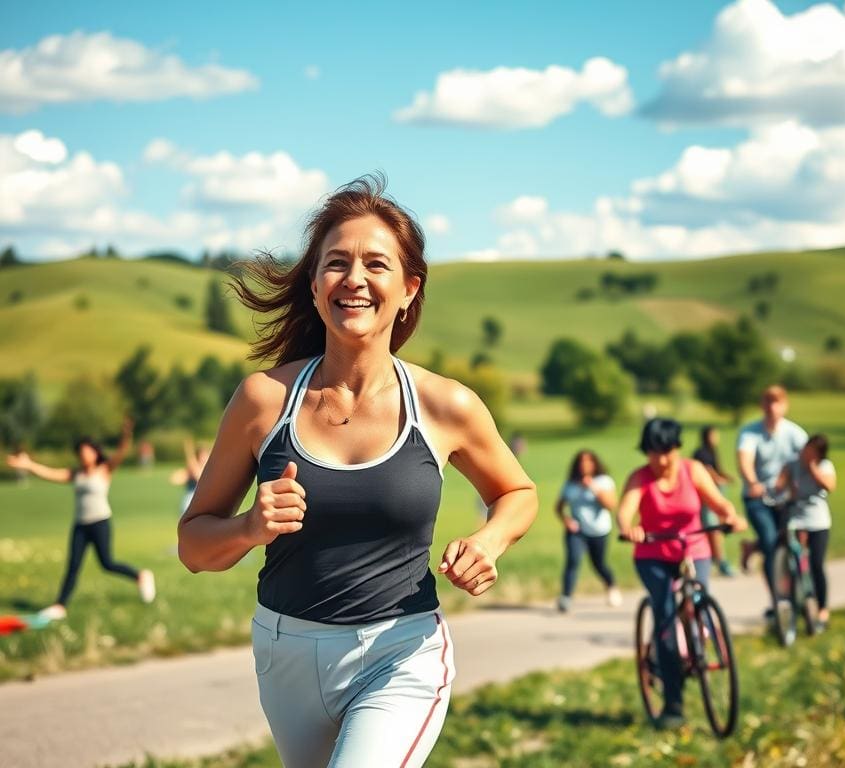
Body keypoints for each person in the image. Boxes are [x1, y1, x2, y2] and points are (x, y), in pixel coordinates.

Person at [177, 175, 538, 768]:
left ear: (408, 288)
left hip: (402, 650)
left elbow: (517, 491)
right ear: (316, 286)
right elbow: (194, 545)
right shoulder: (263, 401)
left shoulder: (447, 405)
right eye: (336, 263)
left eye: (377, 264)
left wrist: (489, 540)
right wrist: (248, 527)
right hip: (284, 653)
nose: (355, 279)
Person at [618, 418, 747, 730]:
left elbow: (718, 503)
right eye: (653, 452)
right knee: (664, 616)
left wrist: (730, 516)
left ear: (677, 448)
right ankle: (673, 703)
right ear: (646, 452)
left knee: (698, 603)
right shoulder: (640, 478)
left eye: (667, 451)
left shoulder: (693, 470)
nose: (661, 460)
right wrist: (629, 529)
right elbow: (625, 511)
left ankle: (697, 643)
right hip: (652, 554)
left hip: (694, 548)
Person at [5, 420, 156, 620]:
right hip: (80, 525)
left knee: (107, 563)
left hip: (100, 522)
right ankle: (60, 606)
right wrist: (28, 464)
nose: (84, 455)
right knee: (73, 565)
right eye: (81, 452)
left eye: (87, 451)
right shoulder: (75, 474)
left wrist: (126, 435)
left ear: (95, 452)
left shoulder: (105, 469)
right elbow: (49, 473)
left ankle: (141, 576)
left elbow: (121, 452)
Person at [736, 386, 807, 615]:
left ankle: (801, 593)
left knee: (794, 542)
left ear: (785, 405)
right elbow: (744, 459)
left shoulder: (795, 434)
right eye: (768, 402)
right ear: (762, 405)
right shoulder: (750, 432)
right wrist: (753, 482)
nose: (772, 407)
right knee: (770, 543)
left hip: (786, 497)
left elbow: (806, 462)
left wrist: (796, 486)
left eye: (777, 402)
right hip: (758, 497)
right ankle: (778, 600)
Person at [775, 434, 835, 628]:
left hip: (818, 521)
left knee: (817, 564)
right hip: (796, 519)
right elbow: (780, 483)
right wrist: (781, 487)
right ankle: (793, 599)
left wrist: (812, 468)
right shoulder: (792, 463)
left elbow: (830, 486)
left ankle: (822, 607)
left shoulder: (825, 466)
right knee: (792, 560)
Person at [555, 450, 621, 612]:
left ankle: (611, 585)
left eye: (588, 462)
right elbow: (559, 507)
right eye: (581, 462)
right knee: (573, 560)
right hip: (577, 531)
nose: (585, 465)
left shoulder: (604, 481)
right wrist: (566, 520)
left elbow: (611, 505)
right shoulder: (570, 484)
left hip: (599, 531)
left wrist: (593, 487)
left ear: (595, 464)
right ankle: (566, 597)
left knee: (598, 564)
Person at [692, 425, 735, 577]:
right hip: (706, 495)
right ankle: (719, 560)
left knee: (718, 527)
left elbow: (717, 469)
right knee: (713, 527)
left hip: (717, 492)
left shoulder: (712, 451)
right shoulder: (700, 453)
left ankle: (714, 559)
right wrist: (718, 479)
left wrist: (726, 477)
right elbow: (706, 471)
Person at [169, 438, 211, 517]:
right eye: (203, 455)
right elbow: (174, 479)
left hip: (205, 502)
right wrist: (188, 472)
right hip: (190, 501)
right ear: (198, 456)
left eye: (206, 455)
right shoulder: (191, 470)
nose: (204, 458)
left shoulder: (210, 470)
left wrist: (194, 468)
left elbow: (200, 478)